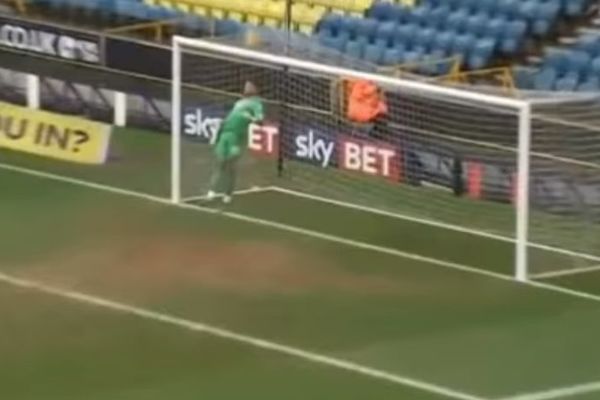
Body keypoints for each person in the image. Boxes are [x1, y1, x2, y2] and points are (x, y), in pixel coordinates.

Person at [206, 81, 264, 204]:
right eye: (246, 85)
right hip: (225, 135)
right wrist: (217, 134)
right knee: (220, 163)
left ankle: (228, 193)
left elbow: (260, 122)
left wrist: (250, 117)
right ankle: (212, 191)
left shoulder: (257, 104)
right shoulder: (239, 103)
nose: (247, 86)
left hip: (237, 137)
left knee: (231, 165)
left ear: (255, 89)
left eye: (250, 85)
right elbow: (230, 118)